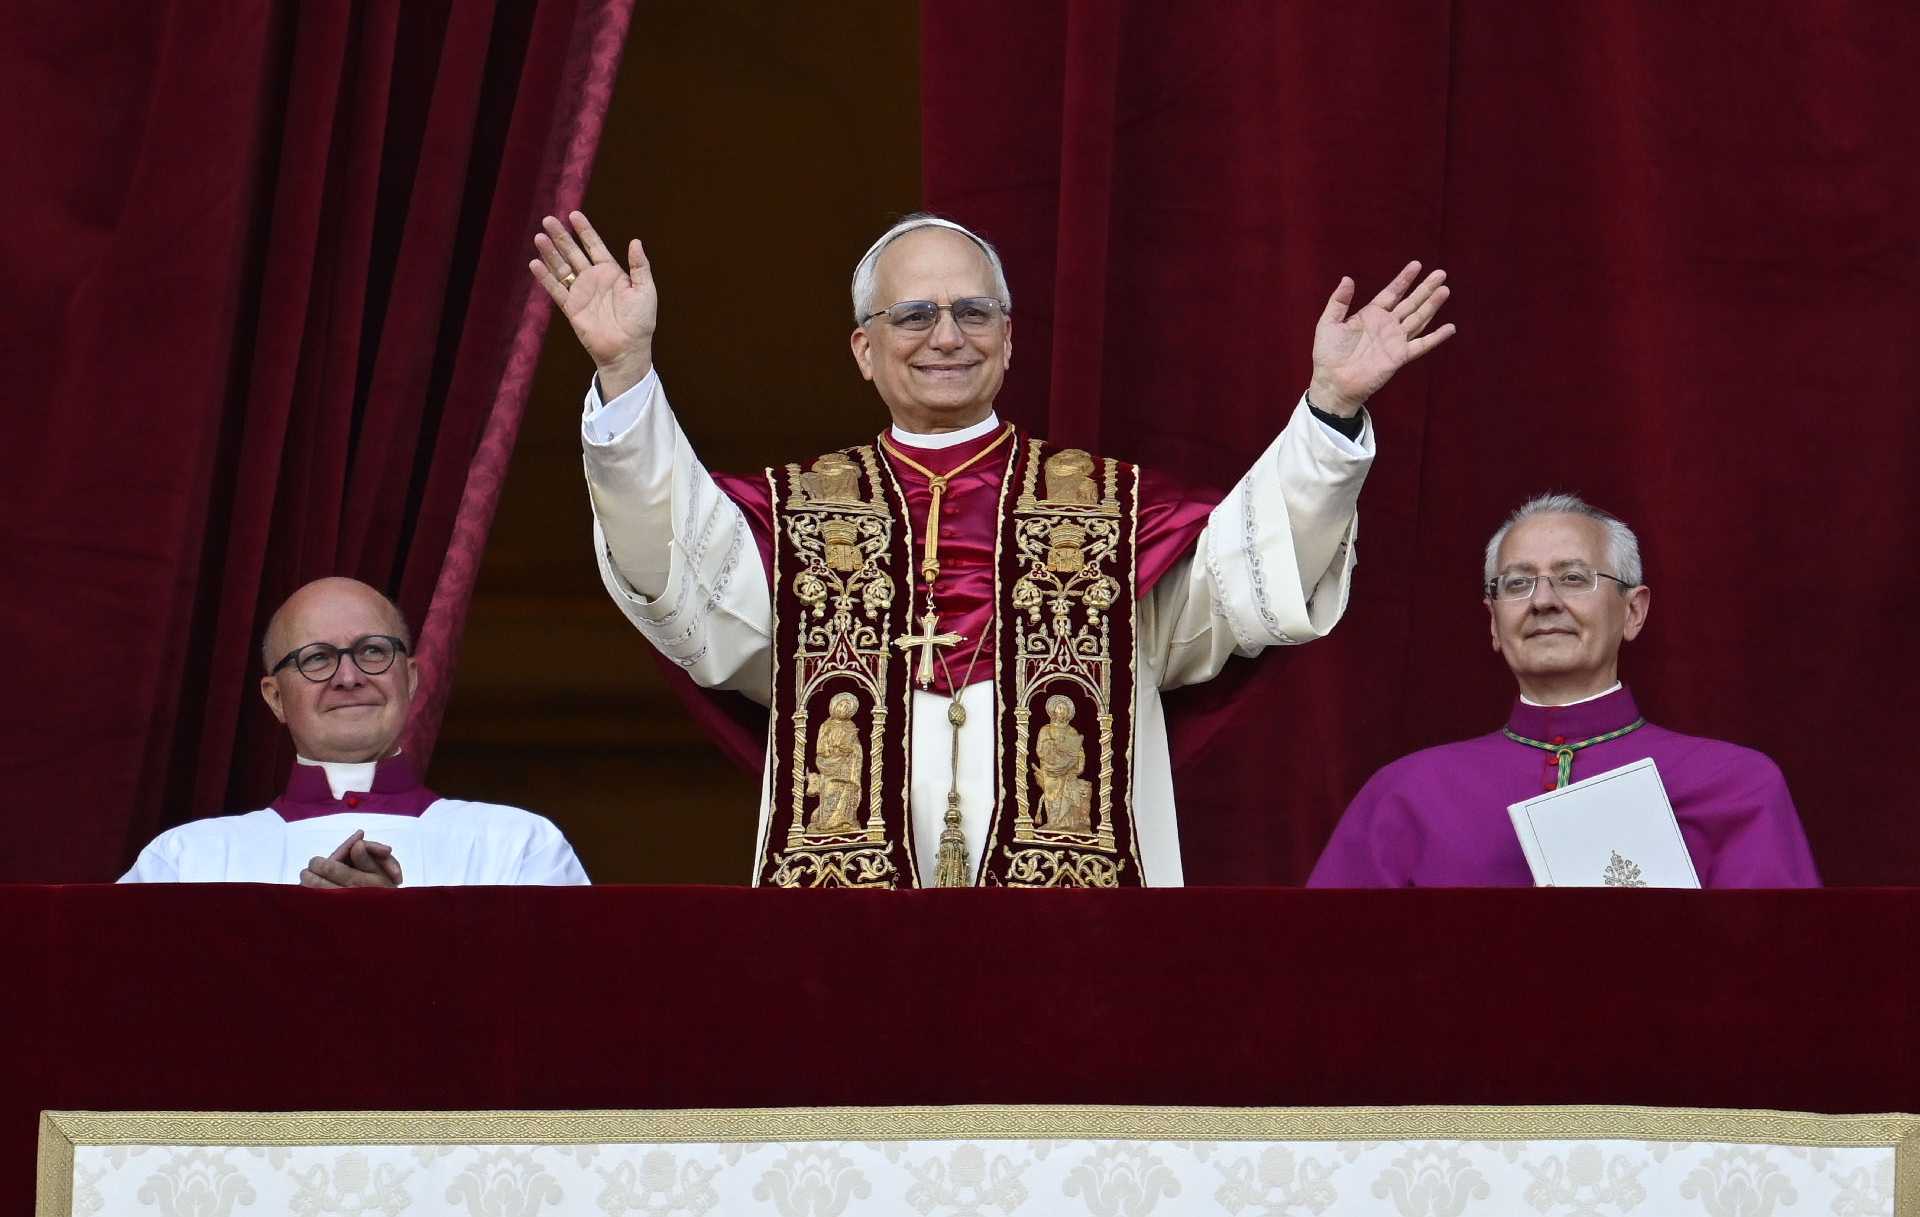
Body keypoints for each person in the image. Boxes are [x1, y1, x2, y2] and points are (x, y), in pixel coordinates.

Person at [533, 211, 1453, 888]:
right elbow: (677, 574)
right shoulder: (796, 517)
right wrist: (625, 373)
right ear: (862, 348)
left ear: (1009, 341)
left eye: (974, 312)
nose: (947, 335)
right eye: (914, 315)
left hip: (1074, 935)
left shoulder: (1111, 514)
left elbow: (1249, 574)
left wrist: (1331, 409)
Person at [1307, 493, 1819, 887]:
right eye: (1517, 583)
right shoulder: (1406, 794)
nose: (1543, 601)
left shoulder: (1736, 786)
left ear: (1633, 611)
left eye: (1573, 578)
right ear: (1494, 622)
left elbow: (1778, 972)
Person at [121, 577, 589, 886]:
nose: (348, 677)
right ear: (275, 697)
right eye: (317, 658)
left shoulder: (518, 846)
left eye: (372, 651)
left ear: (410, 678)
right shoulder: (186, 861)